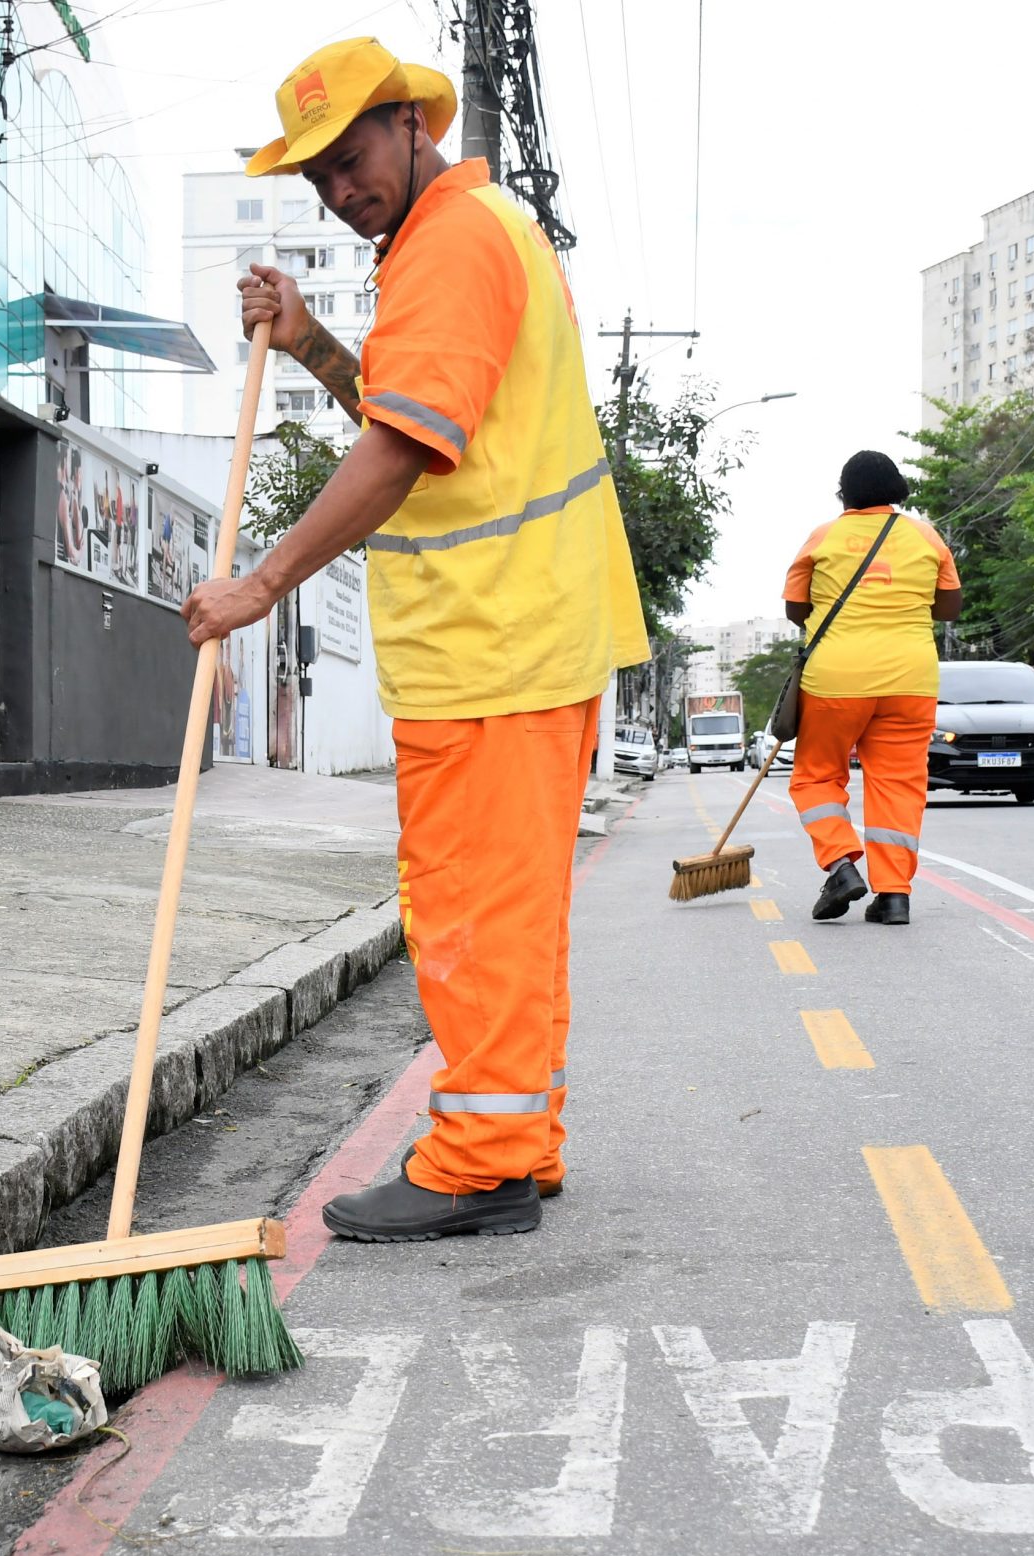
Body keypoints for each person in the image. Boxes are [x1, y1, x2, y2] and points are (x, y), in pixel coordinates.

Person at [180, 37, 648, 1241]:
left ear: (407, 122)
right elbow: (412, 412)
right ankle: (516, 1141)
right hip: (523, 636)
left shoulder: (447, 245)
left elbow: (397, 453)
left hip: (490, 643)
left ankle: (479, 1164)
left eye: (351, 159)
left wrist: (261, 584)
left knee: (469, 914)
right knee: (514, 915)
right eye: (318, 178)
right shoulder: (471, 235)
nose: (341, 190)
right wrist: (309, 344)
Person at [782, 451, 963, 926]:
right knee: (899, 785)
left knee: (817, 776)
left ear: (844, 495)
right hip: (910, 681)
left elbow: (795, 611)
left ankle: (841, 864)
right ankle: (894, 896)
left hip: (835, 681)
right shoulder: (926, 536)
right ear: (899, 491)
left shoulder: (822, 537)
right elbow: (948, 608)